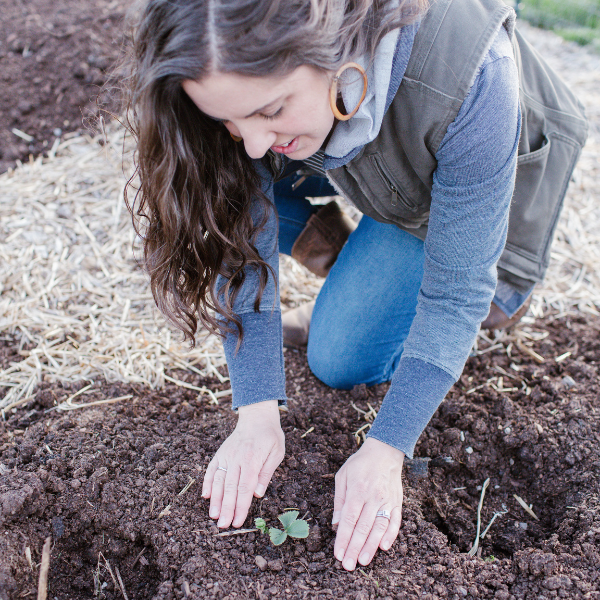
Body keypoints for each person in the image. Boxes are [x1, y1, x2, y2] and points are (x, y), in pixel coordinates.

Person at [123, 0, 587, 572]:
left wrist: (385, 448)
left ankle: (439, 289)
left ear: (330, 47)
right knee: (222, 177)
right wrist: (256, 412)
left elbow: (455, 293)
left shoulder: (473, 74)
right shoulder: (250, 92)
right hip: (375, 165)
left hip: (489, 195)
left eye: (270, 109)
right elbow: (238, 238)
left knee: (339, 357)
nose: (251, 143)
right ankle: (362, 269)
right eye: (230, 121)